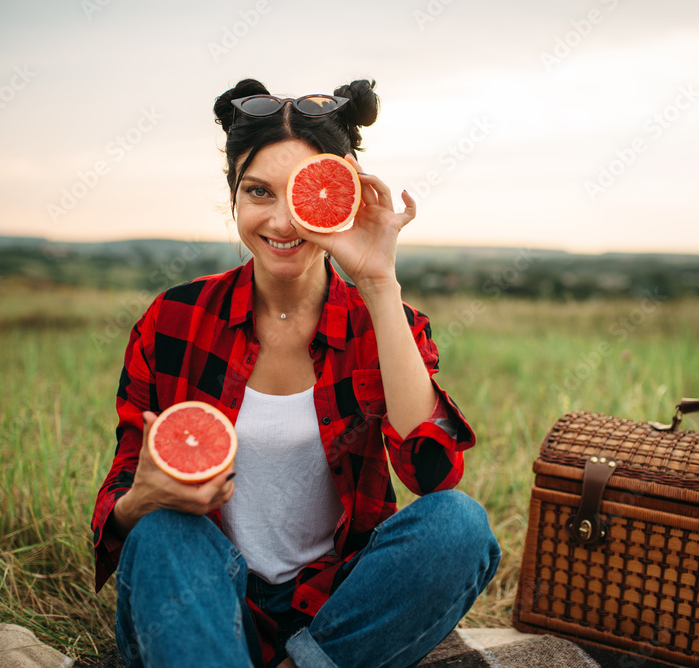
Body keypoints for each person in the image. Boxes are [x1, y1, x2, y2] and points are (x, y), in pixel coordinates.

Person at [91, 78, 501, 668]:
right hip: (209, 593)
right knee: (161, 532)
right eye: (259, 192)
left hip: (337, 608)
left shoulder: (386, 323)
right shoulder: (173, 318)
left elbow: (429, 470)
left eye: (302, 196)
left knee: (459, 526)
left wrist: (379, 285)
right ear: (233, 196)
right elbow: (119, 505)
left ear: (345, 199)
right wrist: (140, 502)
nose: (282, 222)